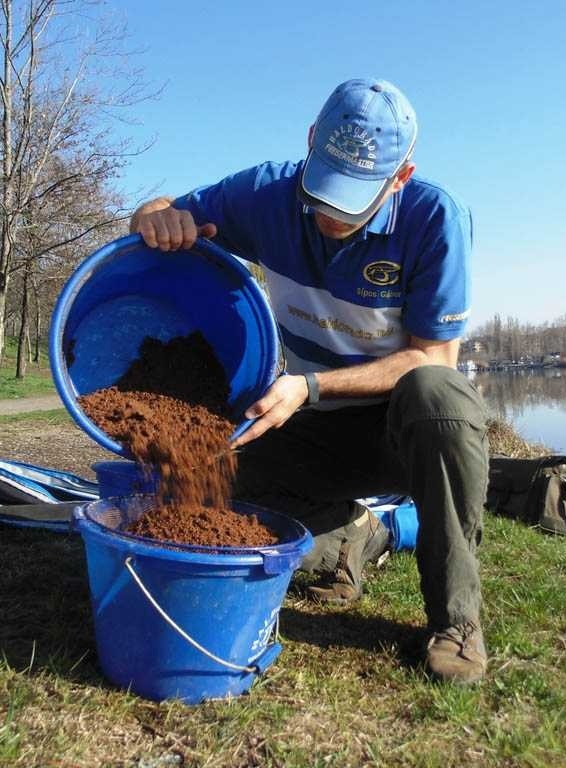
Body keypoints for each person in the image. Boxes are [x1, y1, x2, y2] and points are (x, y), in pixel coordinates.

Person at [130, 78, 489, 684]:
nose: (327, 216)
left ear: (399, 178)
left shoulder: (436, 220)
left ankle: (455, 621)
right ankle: (350, 535)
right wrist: (151, 215)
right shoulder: (265, 194)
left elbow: (433, 357)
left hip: (397, 428)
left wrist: (311, 388)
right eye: (321, 193)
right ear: (309, 144)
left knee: (440, 395)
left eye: (350, 203)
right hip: (309, 427)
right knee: (196, 477)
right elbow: (168, 210)